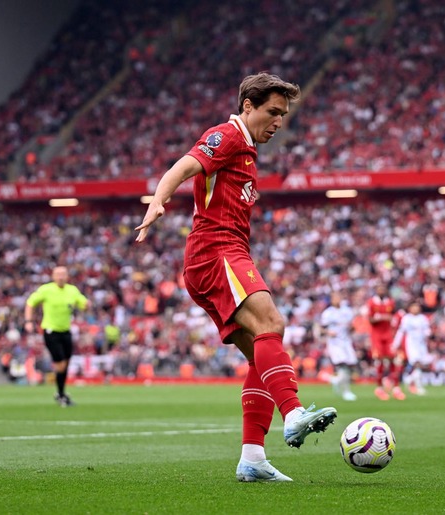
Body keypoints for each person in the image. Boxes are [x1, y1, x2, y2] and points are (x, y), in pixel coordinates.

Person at [135, 73, 337, 483]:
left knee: (259, 357)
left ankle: (253, 459)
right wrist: (159, 199)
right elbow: (185, 165)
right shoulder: (227, 135)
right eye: (273, 112)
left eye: (283, 114)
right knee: (271, 324)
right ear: (249, 106)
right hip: (216, 252)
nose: (279, 122)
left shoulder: (246, 147)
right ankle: (294, 412)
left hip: (219, 255)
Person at [24, 266, 88, 407]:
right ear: (53, 276)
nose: (60, 277)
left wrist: (87, 305)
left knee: (65, 364)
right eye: (58, 274)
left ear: (67, 276)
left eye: (63, 274)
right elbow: (30, 303)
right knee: (60, 364)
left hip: (66, 331)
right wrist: (29, 321)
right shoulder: (46, 290)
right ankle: (61, 394)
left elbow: (83, 303)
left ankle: (61, 393)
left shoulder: (72, 290)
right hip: (50, 331)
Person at [366, 284, 403, 400]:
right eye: (379, 289)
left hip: (388, 335)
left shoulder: (390, 302)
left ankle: (396, 387)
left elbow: (394, 317)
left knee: (393, 360)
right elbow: (370, 319)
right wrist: (382, 318)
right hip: (376, 336)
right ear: (376, 291)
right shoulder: (372, 302)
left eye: (383, 289)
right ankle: (379, 388)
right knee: (380, 360)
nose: (381, 291)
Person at [319, 291, 358, 401]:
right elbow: (321, 328)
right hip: (335, 343)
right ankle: (347, 391)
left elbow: (352, 327)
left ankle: (335, 380)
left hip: (346, 342)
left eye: (338, 297)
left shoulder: (347, 311)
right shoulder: (328, 313)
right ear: (331, 300)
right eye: (334, 297)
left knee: (350, 365)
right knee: (343, 365)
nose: (337, 299)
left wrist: (351, 328)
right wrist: (328, 332)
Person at [392, 300, 431, 396]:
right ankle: (418, 386)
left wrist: (427, 333)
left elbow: (427, 329)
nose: (415, 309)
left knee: (423, 364)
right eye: (413, 307)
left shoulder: (423, 318)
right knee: (416, 363)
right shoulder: (406, 318)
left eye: (417, 307)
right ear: (410, 308)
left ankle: (409, 379)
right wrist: (395, 344)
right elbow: (401, 331)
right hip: (411, 344)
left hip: (422, 344)